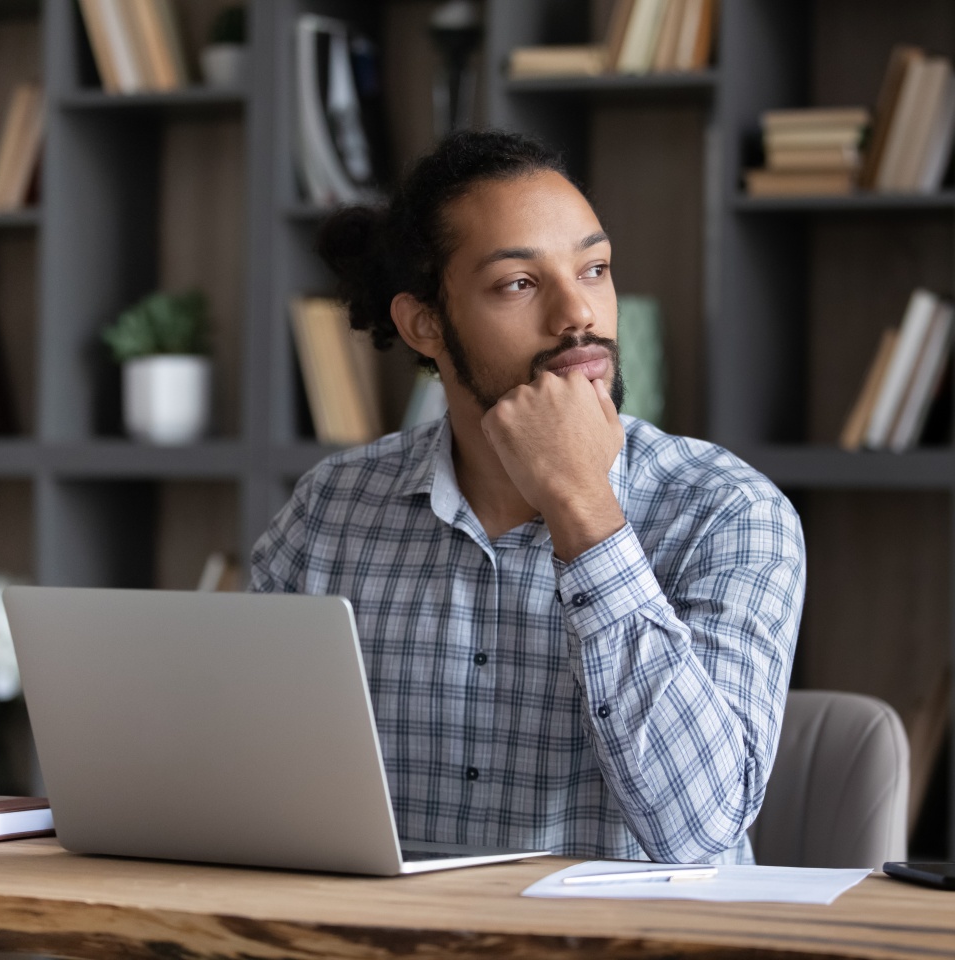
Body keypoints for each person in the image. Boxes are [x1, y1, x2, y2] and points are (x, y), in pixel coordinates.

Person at [251, 128, 806, 864]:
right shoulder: (330, 510)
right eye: (520, 283)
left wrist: (581, 505)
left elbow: (698, 829)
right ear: (424, 324)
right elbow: (247, 778)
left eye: (595, 269)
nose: (578, 314)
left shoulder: (731, 512)